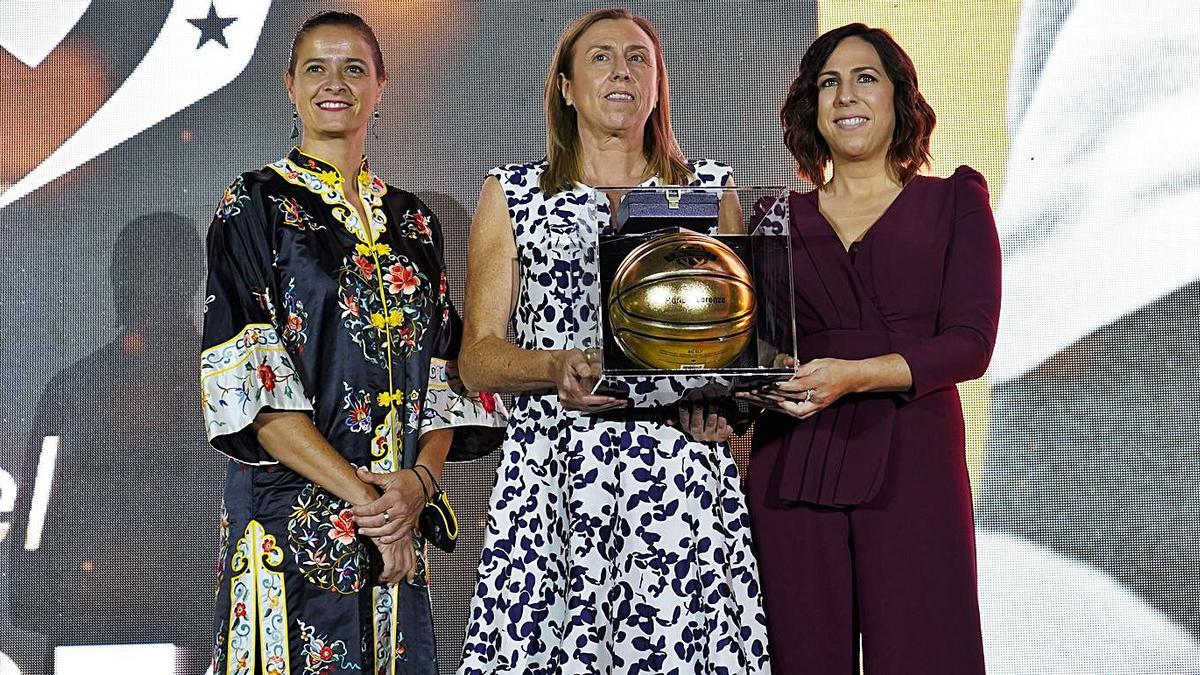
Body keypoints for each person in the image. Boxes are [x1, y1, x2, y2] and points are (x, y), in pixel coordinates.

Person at [455, 8, 770, 674]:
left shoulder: (711, 191)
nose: (621, 70)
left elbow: (739, 347)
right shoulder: (512, 193)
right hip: (555, 478)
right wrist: (554, 366)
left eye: (637, 59)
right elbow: (477, 353)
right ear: (565, 87)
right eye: (600, 58)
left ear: (657, 85)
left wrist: (735, 396)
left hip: (679, 480)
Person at [200, 11, 504, 674]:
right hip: (291, 522)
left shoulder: (415, 221)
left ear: (381, 85)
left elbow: (448, 381)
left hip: (393, 522)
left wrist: (418, 487)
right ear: (289, 84)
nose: (334, 82)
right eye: (316, 67)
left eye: (354, 68)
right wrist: (375, 505)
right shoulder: (253, 205)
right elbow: (256, 392)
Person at [740, 23, 1000, 674]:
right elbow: (754, 357)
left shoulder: (954, 200)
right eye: (829, 82)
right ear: (812, 107)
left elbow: (970, 345)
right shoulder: (772, 216)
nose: (845, 94)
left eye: (865, 78)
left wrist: (855, 376)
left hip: (915, 468)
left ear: (898, 98)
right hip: (791, 467)